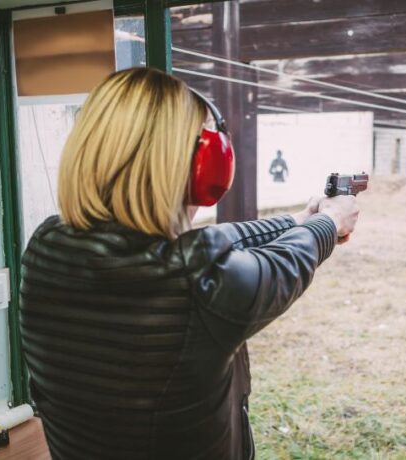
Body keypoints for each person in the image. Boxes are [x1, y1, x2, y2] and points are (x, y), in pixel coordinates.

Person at [19, 68, 359, 460]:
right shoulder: (198, 279)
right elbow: (284, 263)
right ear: (200, 169)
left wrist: (297, 220)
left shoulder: (46, 246)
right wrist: (329, 222)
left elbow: (216, 242)